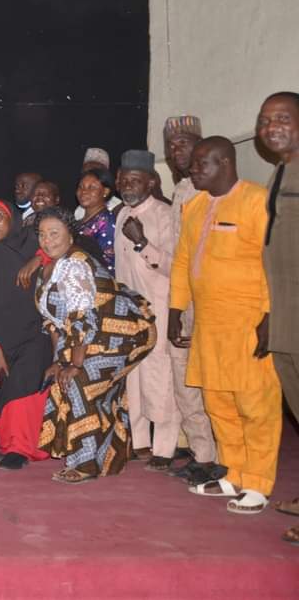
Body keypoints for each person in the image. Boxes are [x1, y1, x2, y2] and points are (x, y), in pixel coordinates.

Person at [171, 137, 280, 514]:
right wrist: (175, 310)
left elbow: (274, 263)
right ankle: (233, 474)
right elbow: (183, 261)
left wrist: (270, 316)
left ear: (226, 163)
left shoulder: (256, 200)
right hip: (208, 324)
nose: (193, 169)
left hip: (248, 322)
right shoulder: (195, 205)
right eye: (194, 163)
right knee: (218, 403)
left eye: (202, 163)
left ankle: (258, 483)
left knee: (255, 405)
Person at [35, 207, 157, 484]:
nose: (47, 240)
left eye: (54, 233)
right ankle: (110, 459)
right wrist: (58, 361)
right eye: (42, 234)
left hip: (123, 335)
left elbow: (82, 318)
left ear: (70, 235)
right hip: (96, 336)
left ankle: (86, 465)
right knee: (74, 383)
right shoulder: (51, 268)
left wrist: (75, 365)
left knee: (80, 384)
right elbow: (54, 324)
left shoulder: (75, 265)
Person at [0, 199, 52, 470]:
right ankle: (13, 445)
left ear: (11, 218)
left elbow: (66, 249)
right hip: (5, 337)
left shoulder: (34, 241)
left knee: (24, 387)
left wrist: (38, 259)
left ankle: (21, 449)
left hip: (38, 332)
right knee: (6, 384)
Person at [114, 150, 182, 471]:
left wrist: (142, 243)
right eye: (124, 180)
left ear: (151, 182)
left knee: (160, 377)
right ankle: (139, 441)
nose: (128, 185)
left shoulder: (165, 215)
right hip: (131, 313)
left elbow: (175, 267)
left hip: (160, 310)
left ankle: (164, 448)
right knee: (134, 377)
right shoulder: (120, 215)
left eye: (135, 180)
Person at [160, 115, 219, 484]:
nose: (175, 149)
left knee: (213, 384)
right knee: (185, 382)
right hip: (182, 299)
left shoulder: (214, 190)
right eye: (171, 144)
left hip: (211, 302)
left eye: (184, 141)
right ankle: (203, 454)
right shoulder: (181, 190)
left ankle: (226, 460)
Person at [256, 93, 299, 540]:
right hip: (285, 312)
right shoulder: (280, 171)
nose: (271, 127)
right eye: (265, 120)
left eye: (283, 118)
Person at [74, 167, 117, 273]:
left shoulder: (106, 222)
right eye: (81, 187)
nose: (84, 191)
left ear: (105, 191)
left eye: (91, 187)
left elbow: (108, 263)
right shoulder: (78, 222)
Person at [74, 148, 122, 220]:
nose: (89, 175)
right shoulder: (78, 211)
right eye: (87, 171)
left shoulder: (118, 207)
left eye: (96, 172)